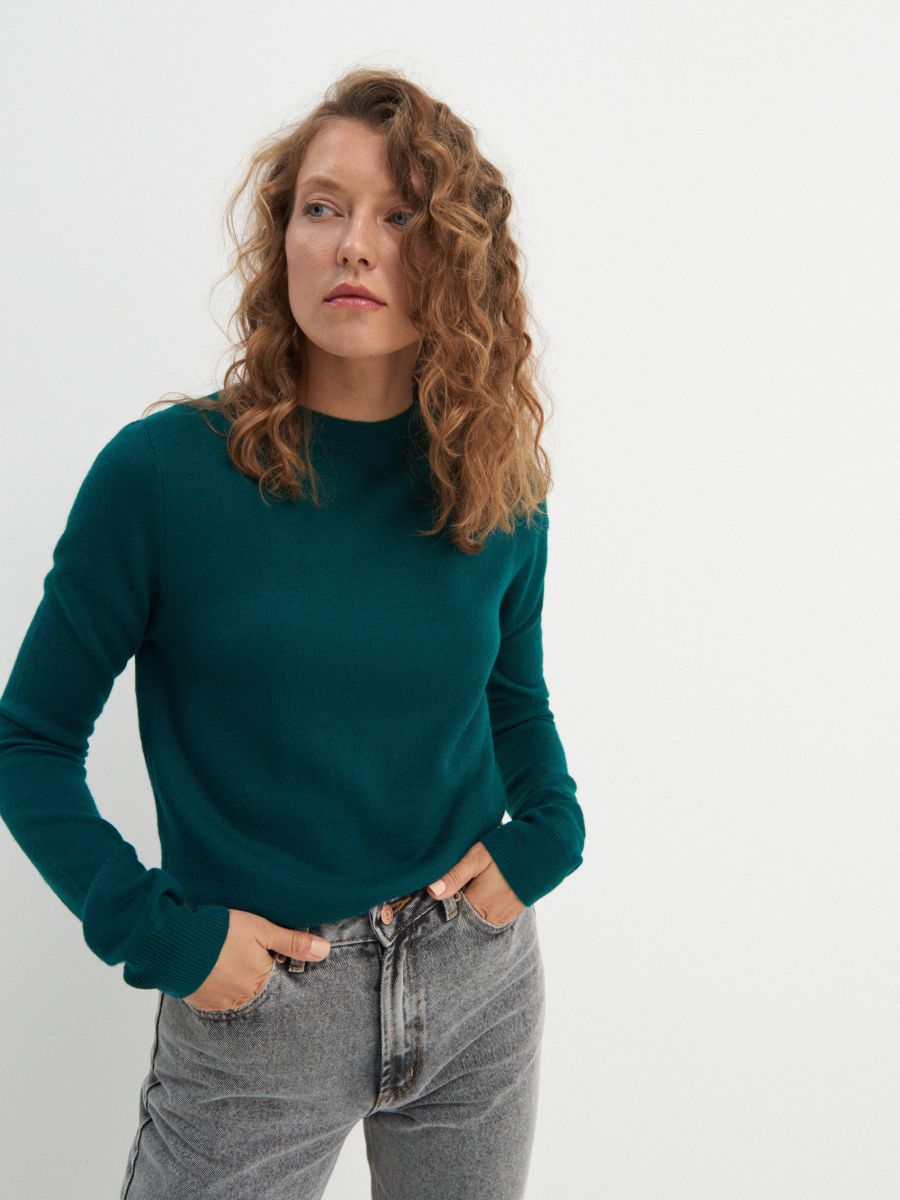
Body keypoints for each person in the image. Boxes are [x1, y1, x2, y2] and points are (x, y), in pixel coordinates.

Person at [0, 67, 586, 1199]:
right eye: (323, 208)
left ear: (458, 257)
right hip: (263, 1008)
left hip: (474, 983)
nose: (354, 244)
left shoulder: (497, 485)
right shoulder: (163, 477)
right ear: (284, 242)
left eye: (401, 215)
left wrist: (550, 832)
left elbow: (511, 699)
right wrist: (160, 937)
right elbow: (28, 741)